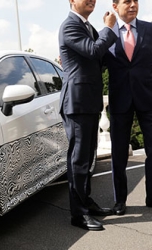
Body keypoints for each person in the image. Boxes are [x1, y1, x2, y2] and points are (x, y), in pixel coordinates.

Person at [58, 0, 117, 231]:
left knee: (88, 158)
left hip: (89, 101)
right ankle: (78, 214)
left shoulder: (88, 27)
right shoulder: (69, 25)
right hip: (77, 102)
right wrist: (109, 29)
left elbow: (98, 59)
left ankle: (86, 202)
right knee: (79, 160)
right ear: (72, 1)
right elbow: (94, 50)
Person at [104, 0, 152, 216]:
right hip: (119, 101)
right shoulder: (107, 34)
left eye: (135, 1)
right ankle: (120, 201)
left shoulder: (150, 29)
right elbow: (95, 62)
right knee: (119, 153)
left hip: (148, 99)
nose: (133, 5)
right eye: (126, 1)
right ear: (115, 6)